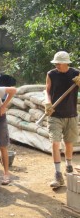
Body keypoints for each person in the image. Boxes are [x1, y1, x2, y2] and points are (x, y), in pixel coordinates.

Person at [45, 51, 80, 188]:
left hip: (71, 114)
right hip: (55, 115)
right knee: (55, 143)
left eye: (58, 63)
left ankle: (69, 165)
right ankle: (58, 174)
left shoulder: (76, 74)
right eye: (55, 63)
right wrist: (48, 103)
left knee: (69, 143)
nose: (56, 65)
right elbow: (47, 90)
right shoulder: (51, 74)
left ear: (66, 63)